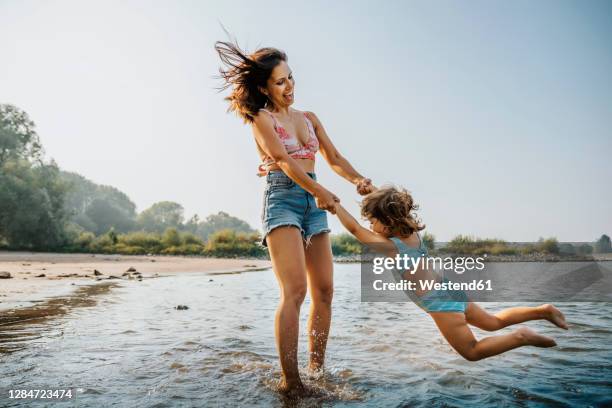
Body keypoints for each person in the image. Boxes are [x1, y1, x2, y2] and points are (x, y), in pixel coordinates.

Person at [214, 40, 374, 395]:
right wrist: (320, 193)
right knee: (296, 290)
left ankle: (316, 371)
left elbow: (333, 158)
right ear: (263, 87)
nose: (289, 87)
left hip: (314, 200)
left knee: (325, 290)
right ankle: (292, 381)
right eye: (280, 82)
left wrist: (358, 179)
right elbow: (284, 162)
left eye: (291, 78)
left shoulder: (310, 118)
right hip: (282, 199)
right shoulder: (261, 118)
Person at [333, 185, 569, 361]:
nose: (370, 227)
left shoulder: (392, 247)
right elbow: (393, 209)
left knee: (472, 352)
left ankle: (522, 336)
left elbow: (354, 228)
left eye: (372, 221)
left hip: (439, 304)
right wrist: (373, 193)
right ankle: (542, 311)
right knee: (493, 322)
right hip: (449, 289)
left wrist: (334, 204)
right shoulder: (412, 232)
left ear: (386, 222)